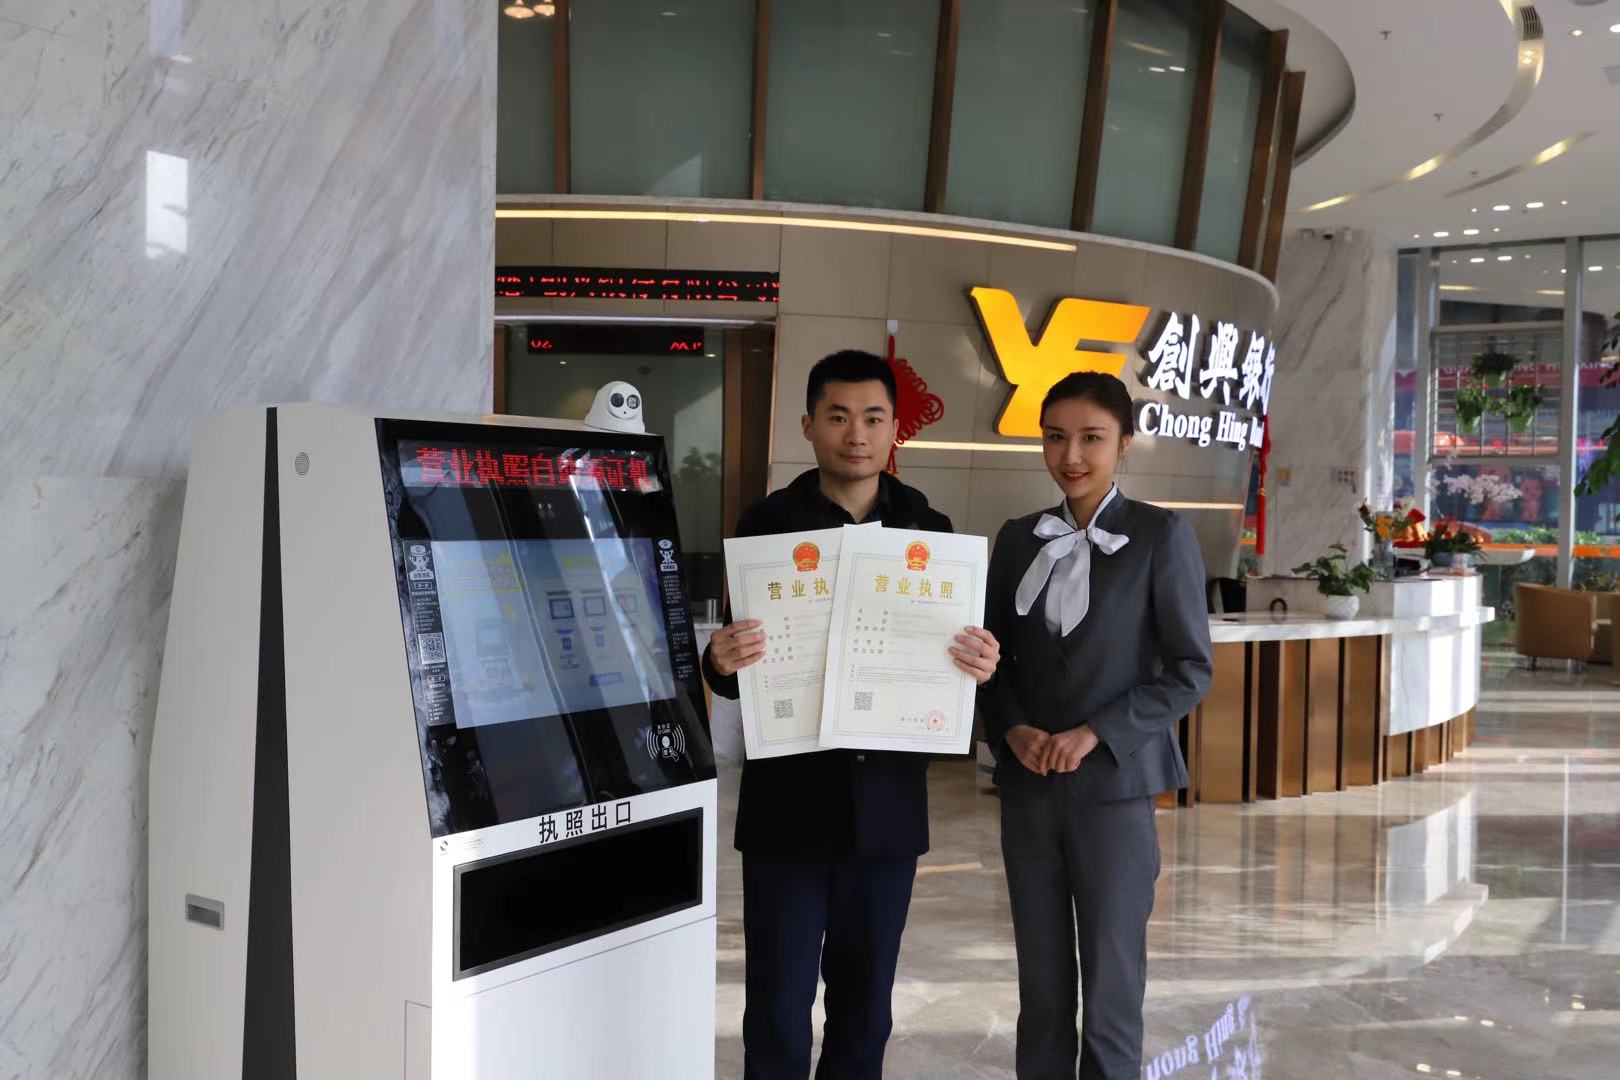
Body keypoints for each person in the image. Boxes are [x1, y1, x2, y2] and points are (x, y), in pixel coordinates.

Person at [704, 349, 1001, 1080]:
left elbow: (947, 657)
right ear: (808, 425)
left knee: (865, 1009)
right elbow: (739, 676)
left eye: (872, 418)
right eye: (838, 417)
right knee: (777, 1009)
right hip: (787, 813)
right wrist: (719, 662)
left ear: (895, 428)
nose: (856, 435)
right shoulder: (766, 527)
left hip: (886, 810)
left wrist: (978, 661)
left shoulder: (930, 529)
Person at [978, 371, 1213, 1080]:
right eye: (1056, 437)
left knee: (1111, 985)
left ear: (1125, 443)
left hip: (1115, 787)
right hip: (1029, 791)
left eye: (1091, 438)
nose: (1071, 455)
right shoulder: (1016, 539)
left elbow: (1190, 669)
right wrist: (1012, 729)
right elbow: (989, 661)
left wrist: (1096, 732)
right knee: (1042, 984)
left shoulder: (1161, 535)